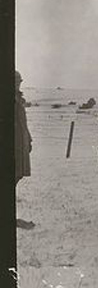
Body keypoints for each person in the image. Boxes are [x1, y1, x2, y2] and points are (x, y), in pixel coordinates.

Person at [15, 71, 35, 230]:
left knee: (17, 176)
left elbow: (23, 122)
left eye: (19, 81)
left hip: (20, 144)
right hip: (12, 147)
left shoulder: (18, 99)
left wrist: (28, 139)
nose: (18, 84)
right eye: (15, 81)